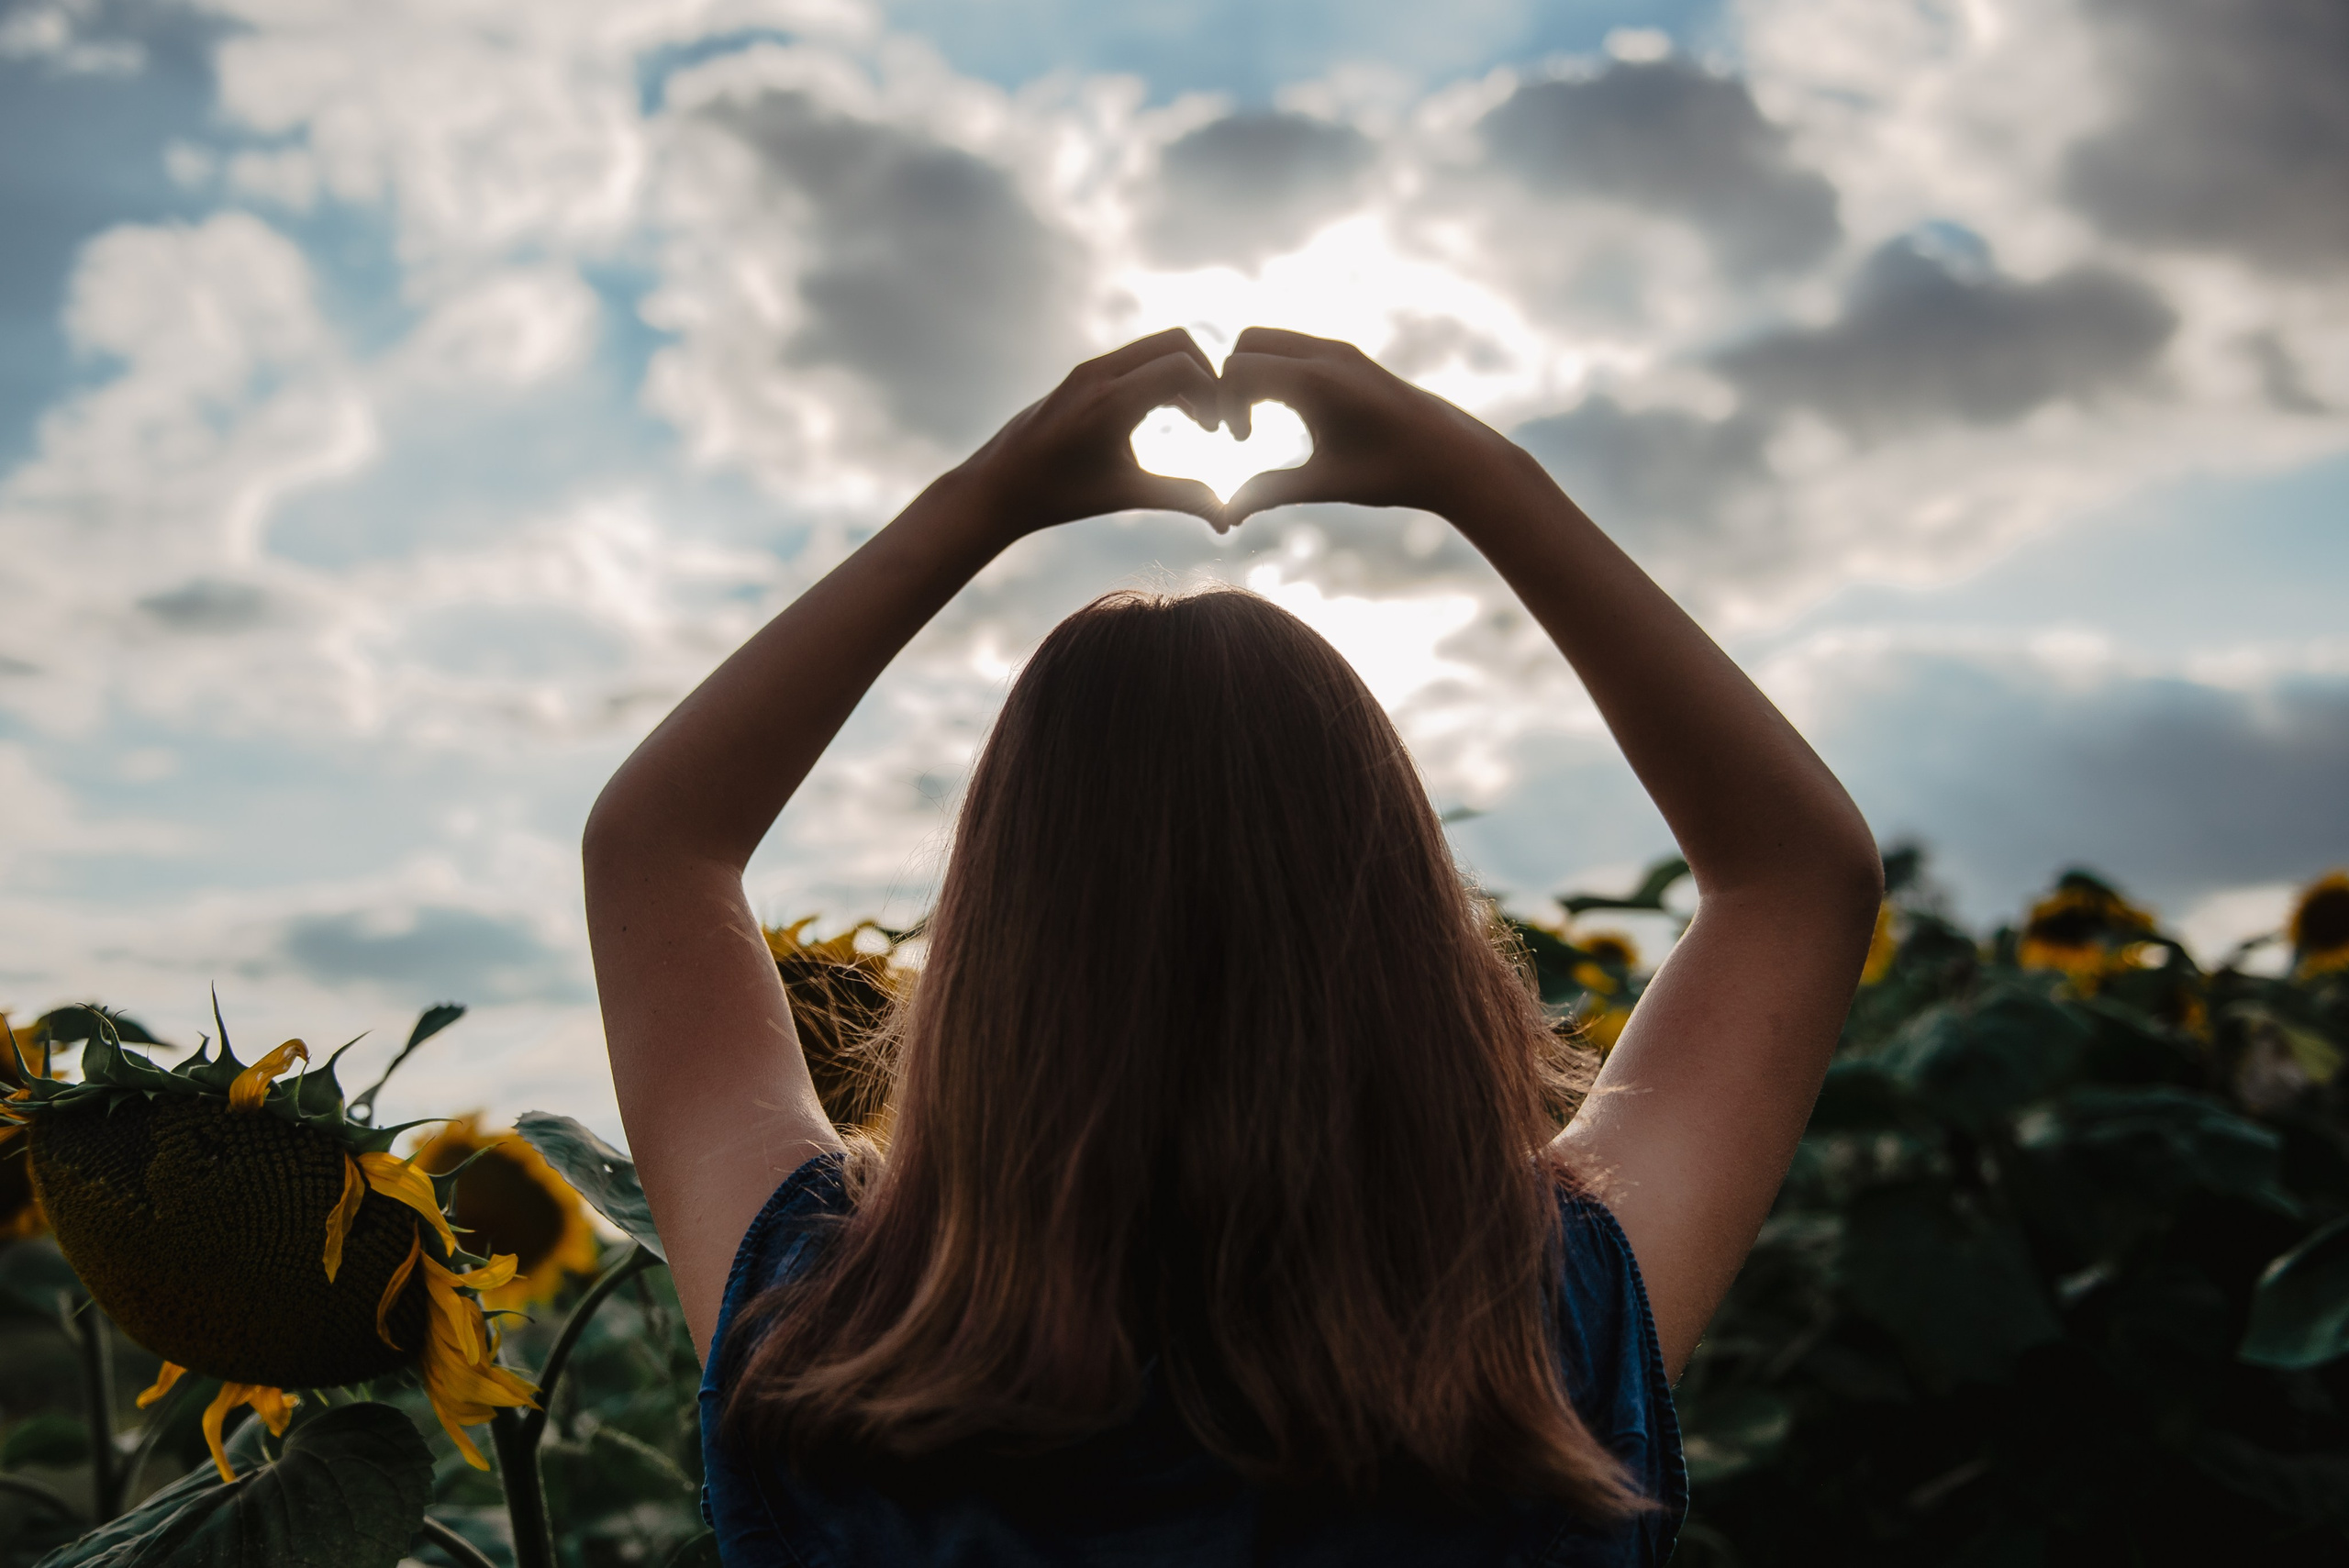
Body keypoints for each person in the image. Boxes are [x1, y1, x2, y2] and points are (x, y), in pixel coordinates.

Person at [583, 327, 1882, 1565]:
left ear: (996, 949)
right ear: (1405, 932)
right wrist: (1476, 477)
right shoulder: (1544, 1332)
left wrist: (986, 499)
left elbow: (655, 848)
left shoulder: (825, 1342)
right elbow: (1795, 880)